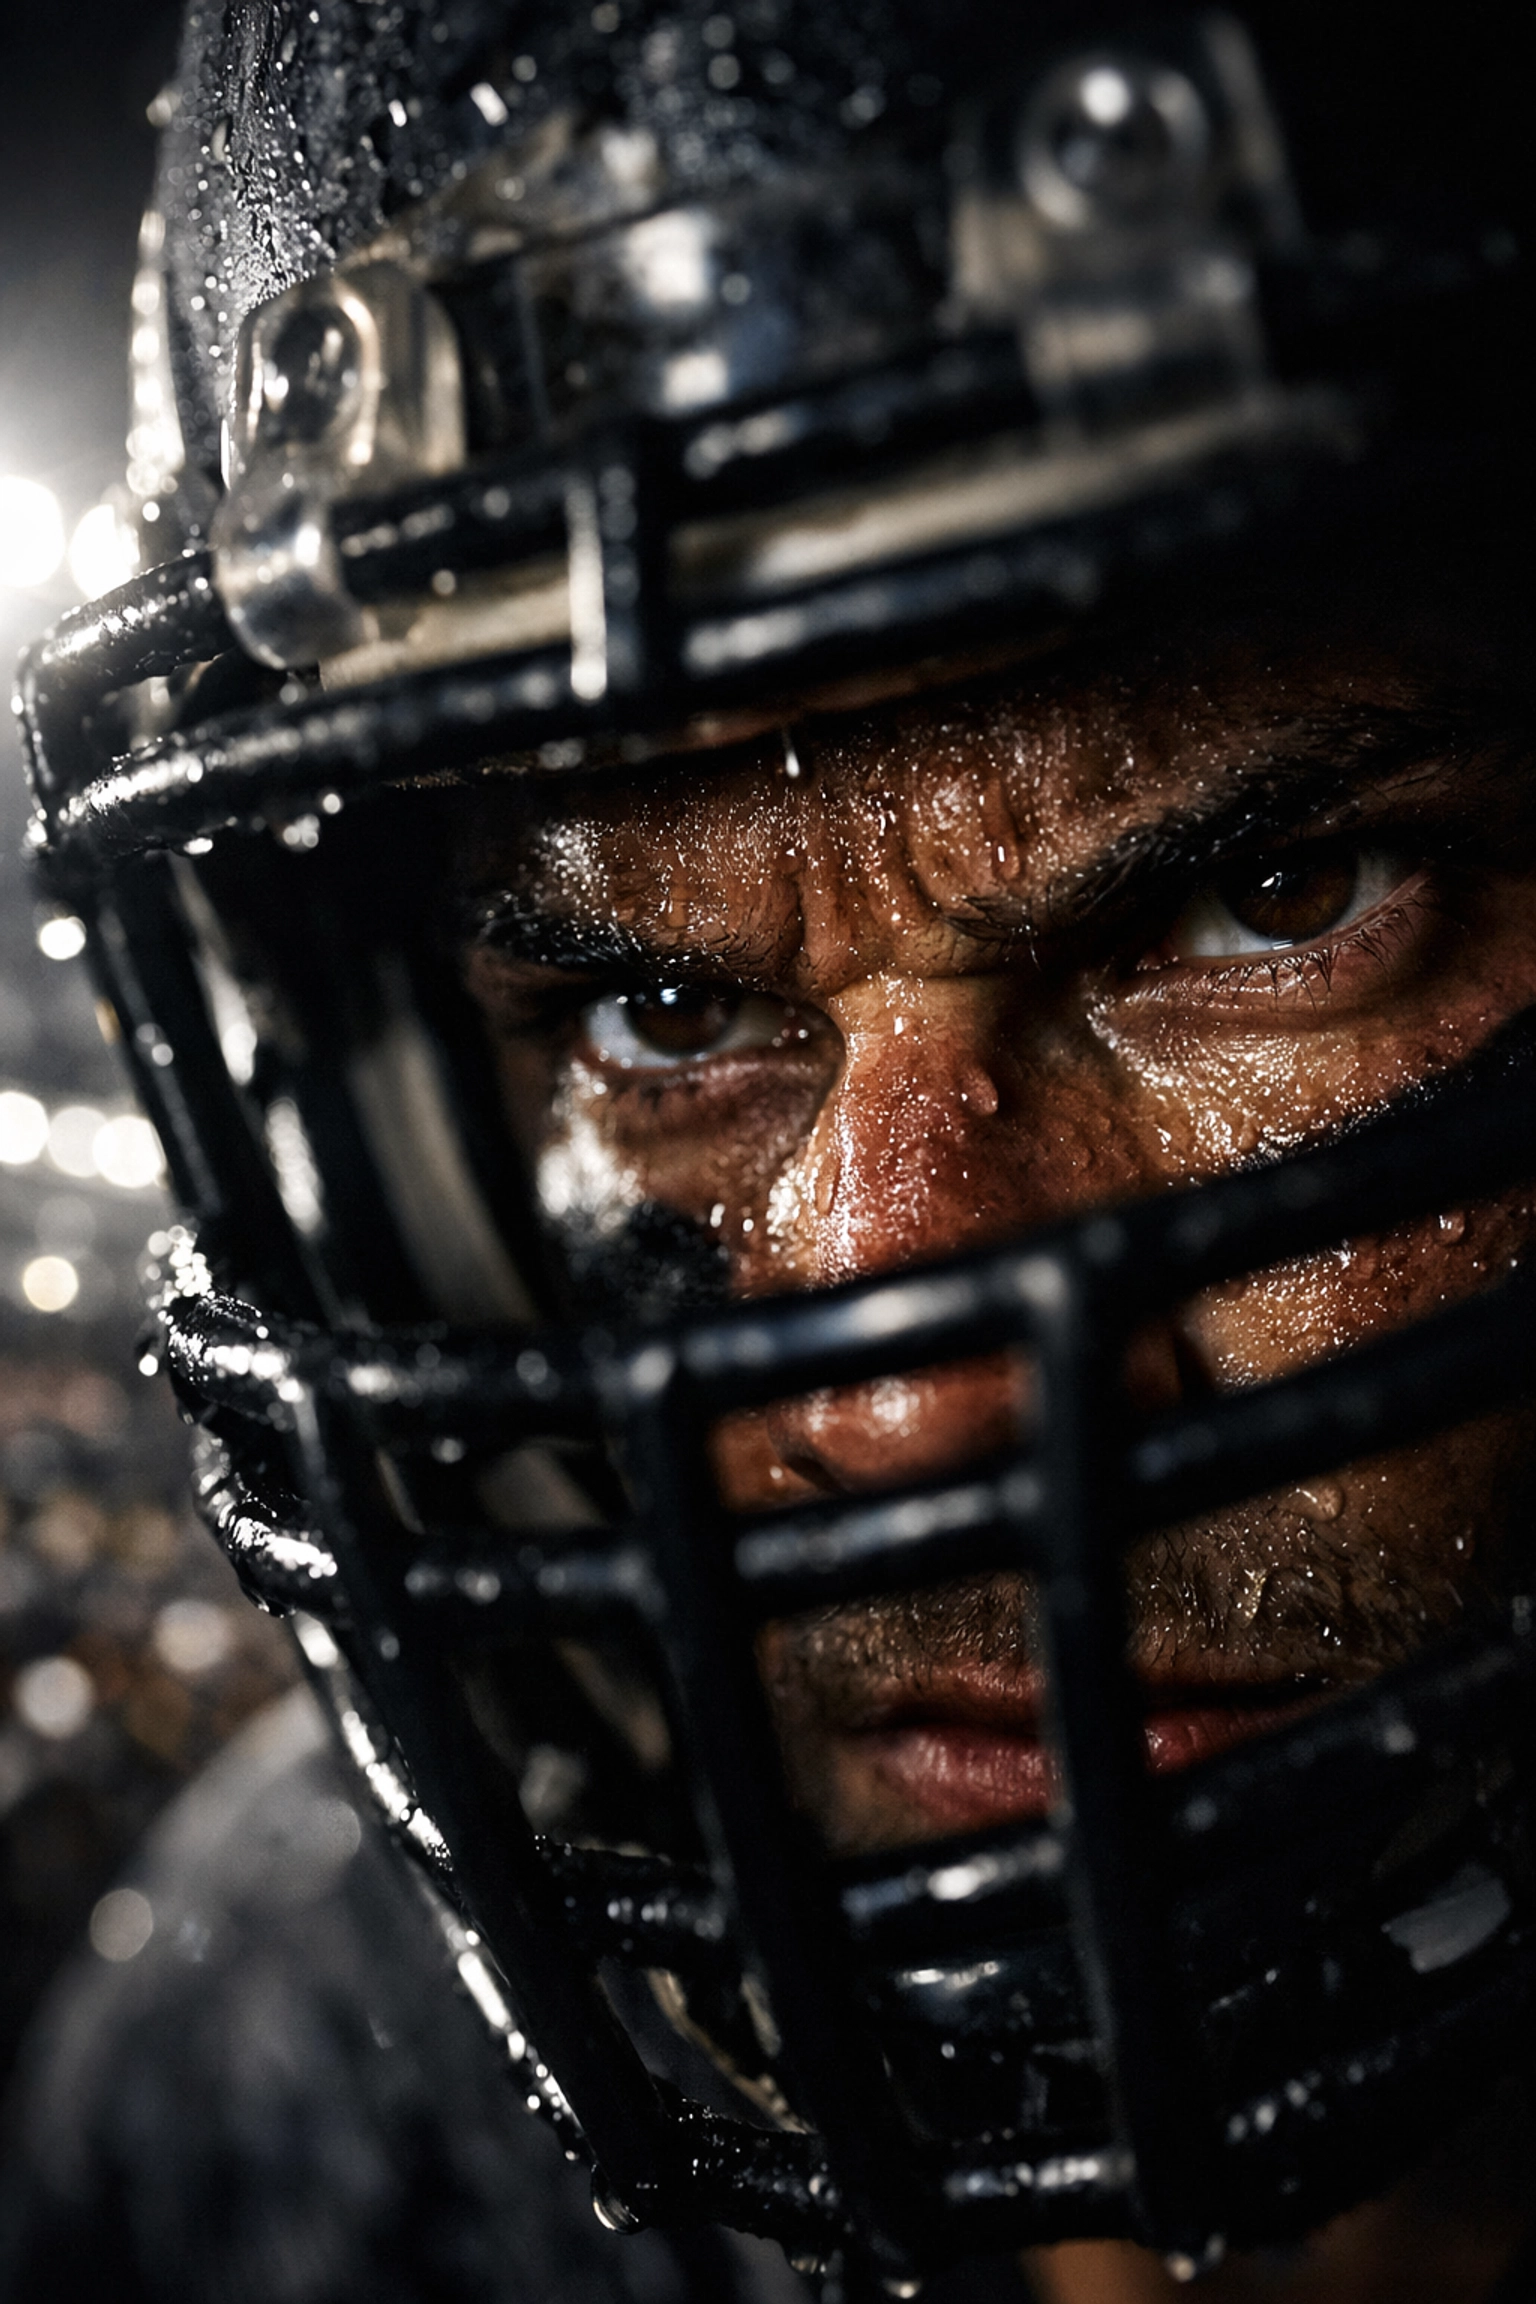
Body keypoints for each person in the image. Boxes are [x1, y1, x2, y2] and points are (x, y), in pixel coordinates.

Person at [3, 2, 1529, 2298]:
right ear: (432, 1140)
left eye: (1277, 906)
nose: (910, 1400)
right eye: (668, 1015)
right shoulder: (267, 2128)